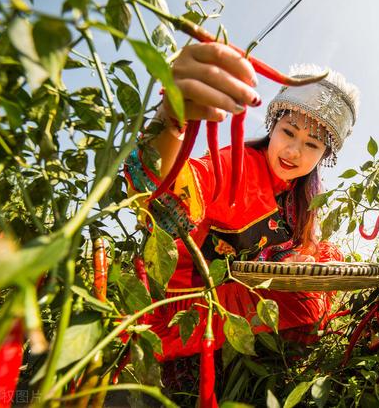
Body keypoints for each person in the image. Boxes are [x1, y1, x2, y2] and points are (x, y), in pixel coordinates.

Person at [124, 43, 360, 362]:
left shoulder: (303, 196)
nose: (293, 151)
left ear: (323, 156)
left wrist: (294, 261)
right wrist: (171, 117)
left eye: (312, 144)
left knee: (329, 256)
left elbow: (296, 248)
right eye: (288, 132)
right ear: (272, 127)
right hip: (190, 299)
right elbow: (166, 189)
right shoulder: (237, 165)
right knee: (306, 298)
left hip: (244, 288)